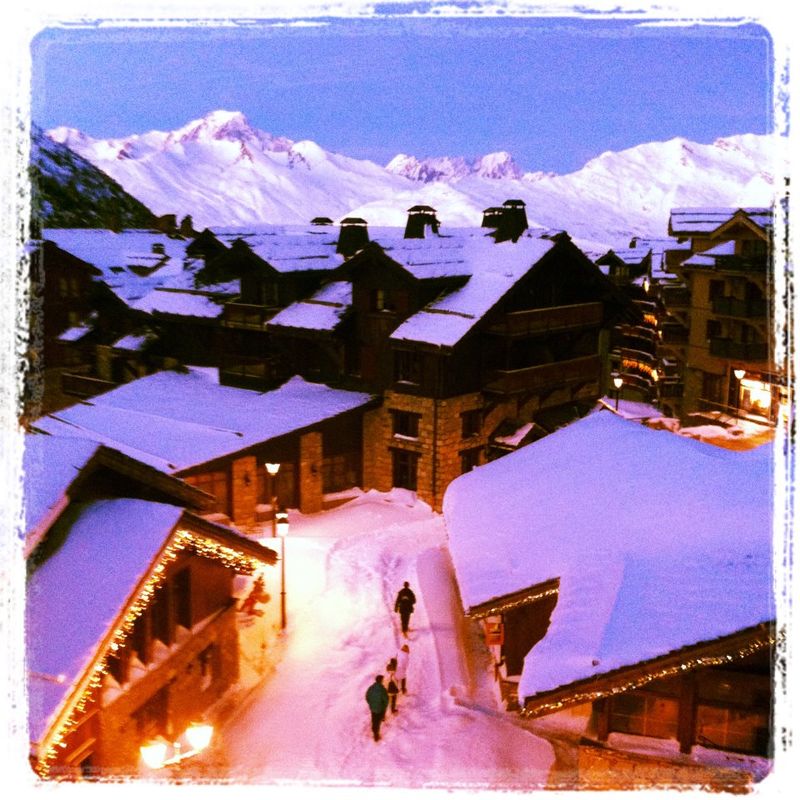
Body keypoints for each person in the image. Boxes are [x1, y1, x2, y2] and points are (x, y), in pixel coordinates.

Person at [365, 675, 389, 741]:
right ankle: (376, 735)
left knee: (374, 718)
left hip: (372, 707)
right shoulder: (382, 689)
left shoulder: (371, 688)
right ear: (381, 681)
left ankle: (374, 729)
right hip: (380, 708)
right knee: (377, 721)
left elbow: (367, 696)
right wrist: (384, 706)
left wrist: (371, 703)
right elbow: (386, 700)